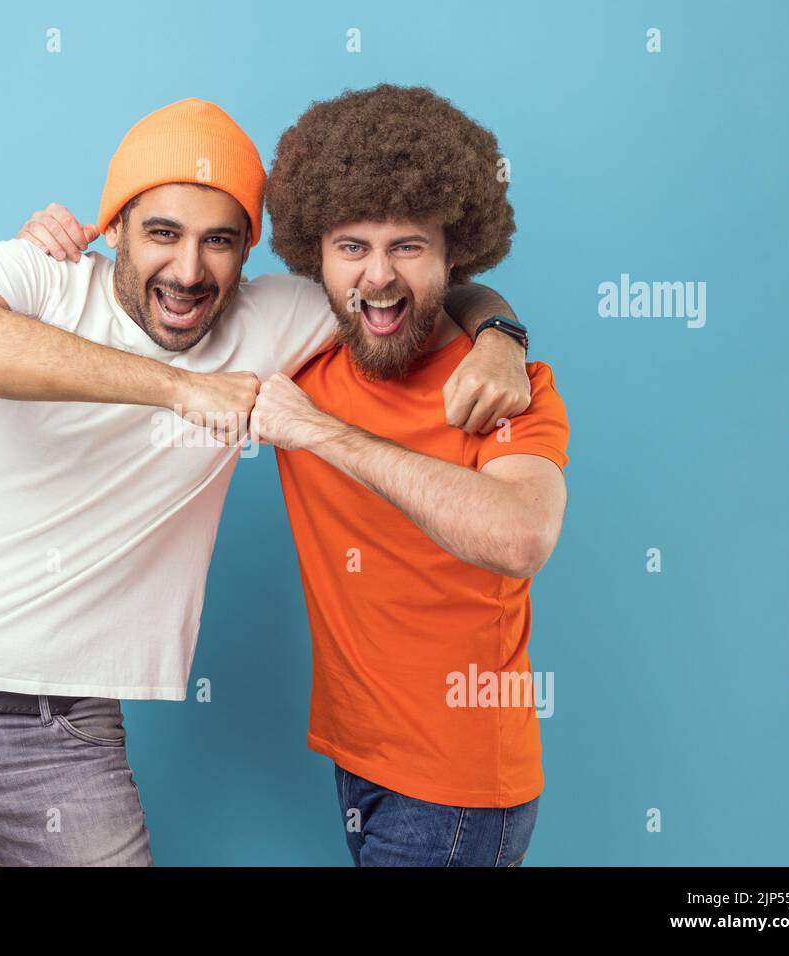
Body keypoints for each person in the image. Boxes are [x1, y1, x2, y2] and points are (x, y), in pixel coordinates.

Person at [0, 97, 530, 866]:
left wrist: (499, 337)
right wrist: (178, 389)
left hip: (60, 729)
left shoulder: (271, 322)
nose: (190, 269)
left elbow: (414, 281)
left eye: (220, 242)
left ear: (248, 253)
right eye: (162, 232)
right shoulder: (41, 276)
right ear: (114, 227)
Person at [249, 84, 569, 866]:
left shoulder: (506, 386)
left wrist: (321, 433)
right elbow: (167, 307)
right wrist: (52, 250)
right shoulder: (305, 352)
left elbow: (520, 535)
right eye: (352, 246)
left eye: (409, 246)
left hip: (458, 789)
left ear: (452, 252)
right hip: (356, 759)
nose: (380, 276)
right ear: (314, 258)